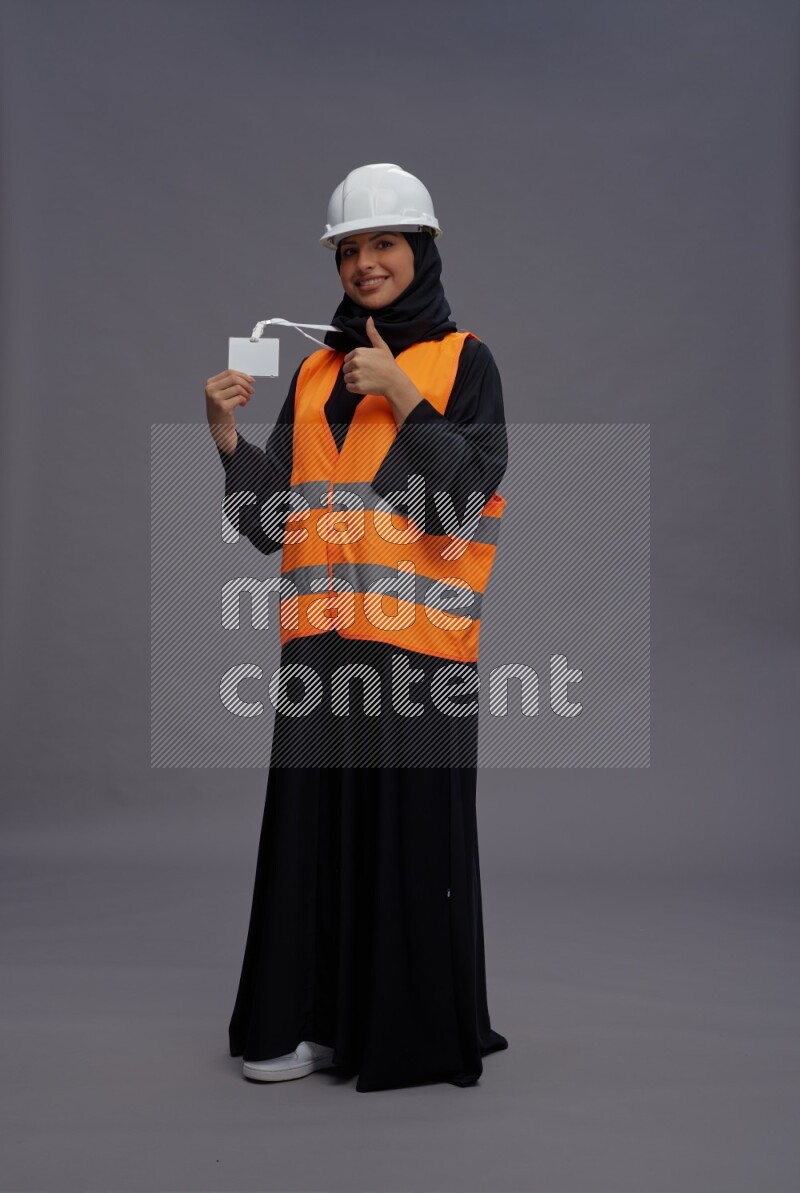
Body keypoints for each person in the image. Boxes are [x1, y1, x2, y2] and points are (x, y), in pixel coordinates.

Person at [205, 163, 509, 1092]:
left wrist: (405, 397)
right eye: (349, 249)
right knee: (314, 840)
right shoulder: (313, 372)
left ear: (421, 250)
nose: (365, 262)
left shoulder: (464, 361)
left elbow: (463, 499)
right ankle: (310, 1024)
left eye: (384, 243)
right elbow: (272, 522)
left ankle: (401, 1036)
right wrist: (227, 441)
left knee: (405, 845)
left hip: (420, 655)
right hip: (320, 651)